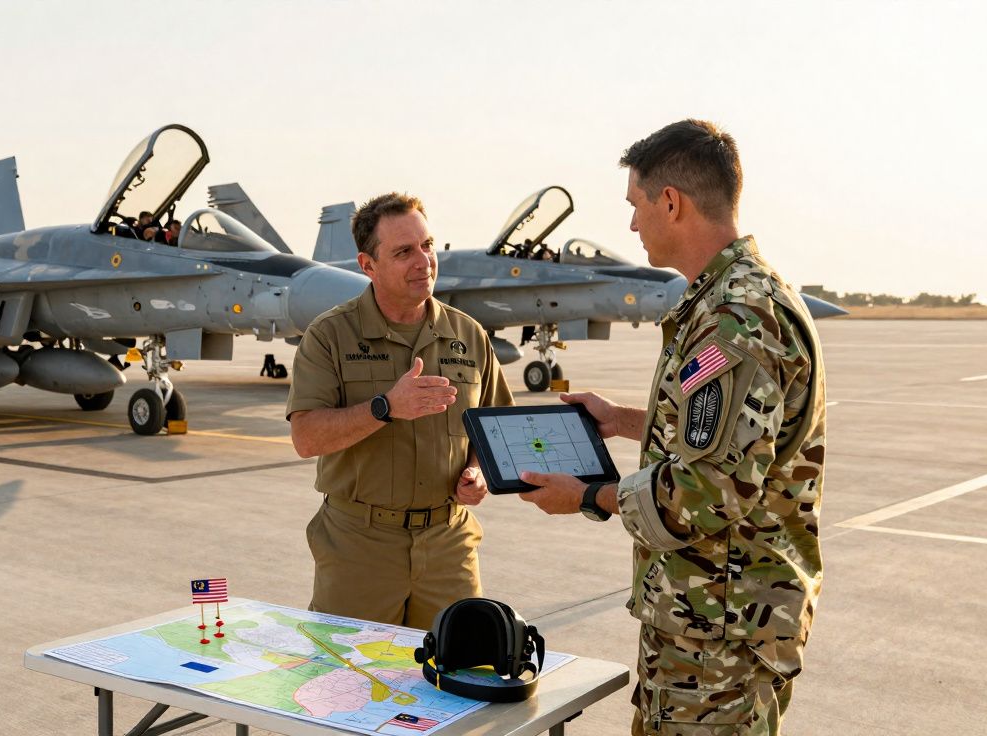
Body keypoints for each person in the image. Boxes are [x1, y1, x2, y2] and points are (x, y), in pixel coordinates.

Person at [517, 120, 826, 735]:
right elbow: (735, 444)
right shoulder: (728, 300)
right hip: (707, 624)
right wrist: (625, 421)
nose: (632, 225)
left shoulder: (735, 318)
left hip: (720, 640)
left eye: (635, 205)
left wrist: (584, 496)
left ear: (671, 202)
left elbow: (707, 491)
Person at [286, 192, 514, 628]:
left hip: (449, 544)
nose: (424, 261)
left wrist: (478, 472)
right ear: (367, 265)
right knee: (346, 680)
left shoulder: (468, 334)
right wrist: (386, 407)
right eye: (404, 252)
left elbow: (495, 431)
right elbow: (306, 438)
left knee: (458, 676)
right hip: (360, 545)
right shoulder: (330, 335)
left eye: (427, 245)